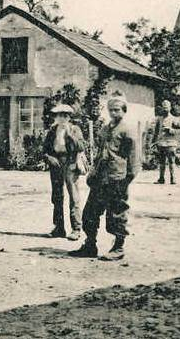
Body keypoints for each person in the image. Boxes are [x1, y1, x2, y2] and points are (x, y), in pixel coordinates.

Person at [70, 91, 139, 261]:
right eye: (111, 110)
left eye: (117, 110)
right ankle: (90, 245)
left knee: (116, 214)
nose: (114, 113)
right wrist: (93, 172)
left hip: (117, 178)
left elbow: (134, 157)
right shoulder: (105, 128)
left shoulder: (128, 129)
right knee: (90, 213)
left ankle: (118, 247)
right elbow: (100, 153)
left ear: (124, 110)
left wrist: (128, 178)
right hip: (101, 178)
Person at [42, 103, 85, 240]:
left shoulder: (74, 129)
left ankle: (76, 229)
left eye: (65, 115)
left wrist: (68, 134)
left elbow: (81, 146)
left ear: (69, 117)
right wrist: (50, 158)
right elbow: (44, 150)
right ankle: (59, 228)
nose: (62, 118)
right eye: (59, 115)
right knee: (57, 196)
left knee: (74, 196)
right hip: (56, 163)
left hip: (70, 162)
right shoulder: (52, 131)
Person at [152, 99, 180, 185]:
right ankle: (161, 178)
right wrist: (153, 142)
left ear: (170, 108)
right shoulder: (159, 119)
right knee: (161, 162)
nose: (165, 109)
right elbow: (156, 132)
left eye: (167, 107)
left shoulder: (174, 119)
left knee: (171, 161)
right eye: (164, 107)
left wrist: (171, 130)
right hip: (161, 143)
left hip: (171, 143)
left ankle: (173, 178)